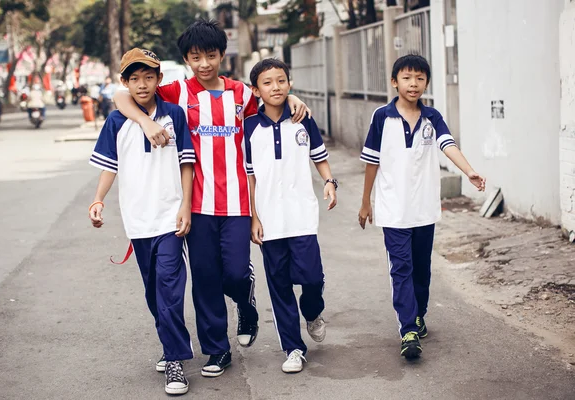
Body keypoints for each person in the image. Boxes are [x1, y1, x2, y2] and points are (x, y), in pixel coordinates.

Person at [113, 19, 310, 378]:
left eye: (211, 55)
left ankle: (244, 299)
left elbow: (272, 100)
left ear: (222, 54)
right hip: (195, 204)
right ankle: (217, 350)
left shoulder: (241, 93)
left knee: (235, 271)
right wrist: (144, 122)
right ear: (187, 59)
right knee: (204, 278)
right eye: (195, 57)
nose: (204, 64)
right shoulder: (176, 92)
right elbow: (123, 95)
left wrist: (292, 96)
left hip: (237, 201)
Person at [357, 54, 486, 359]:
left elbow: (447, 145)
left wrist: (468, 171)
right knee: (400, 269)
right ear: (394, 82)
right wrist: (366, 202)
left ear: (426, 82)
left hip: (424, 209)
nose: (413, 84)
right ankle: (408, 330)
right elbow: (371, 164)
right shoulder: (381, 117)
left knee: (421, 271)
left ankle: (418, 314)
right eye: (406, 77)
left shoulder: (433, 117)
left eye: (419, 78)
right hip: (393, 210)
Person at [88, 48, 195, 395]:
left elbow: (186, 163)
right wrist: (98, 200)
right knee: (153, 291)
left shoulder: (174, 115)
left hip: (169, 217)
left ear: (159, 79)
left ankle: (176, 361)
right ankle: (169, 343)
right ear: (125, 82)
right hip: (137, 220)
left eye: (149, 76)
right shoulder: (117, 120)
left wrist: (186, 206)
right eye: (134, 78)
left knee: (168, 285)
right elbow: (109, 165)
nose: (142, 84)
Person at [244, 58, 337, 373]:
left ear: (290, 83)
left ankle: (312, 313)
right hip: (269, 220)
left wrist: (329, 182)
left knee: (312, 278)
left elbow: (319, 157)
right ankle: (293, 349)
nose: (276, 87)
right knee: (279, 285)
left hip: (301, 215)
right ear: (256, 90)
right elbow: (250, 177)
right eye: (267, 82)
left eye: (281, 80)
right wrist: (255, 217)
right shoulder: (249, 127)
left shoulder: (303, 118)